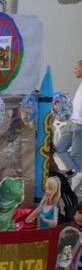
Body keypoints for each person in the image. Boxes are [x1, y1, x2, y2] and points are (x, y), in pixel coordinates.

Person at [55, 59, 82, 189]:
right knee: (59, 148)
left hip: (79, 125)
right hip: (72, 121)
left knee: (76, 156)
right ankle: (76, 173)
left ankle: (74, 184)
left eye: (77, 67)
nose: (74, 70)